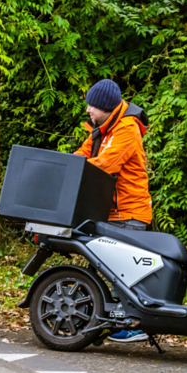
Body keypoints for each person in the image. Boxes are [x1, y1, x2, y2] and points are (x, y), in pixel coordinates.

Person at [73, 78, 152, 342]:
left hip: (129, 213)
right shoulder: (106, 129)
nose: (88, 111)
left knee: (123, 273)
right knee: (110, 269)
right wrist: (62, 167)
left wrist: (73, 174)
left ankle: (136, 324)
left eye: (92, 107)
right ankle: (113, 319)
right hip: (113, 212)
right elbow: (84, 154)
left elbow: (104, 165)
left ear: (106, 107)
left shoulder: (127, 129)